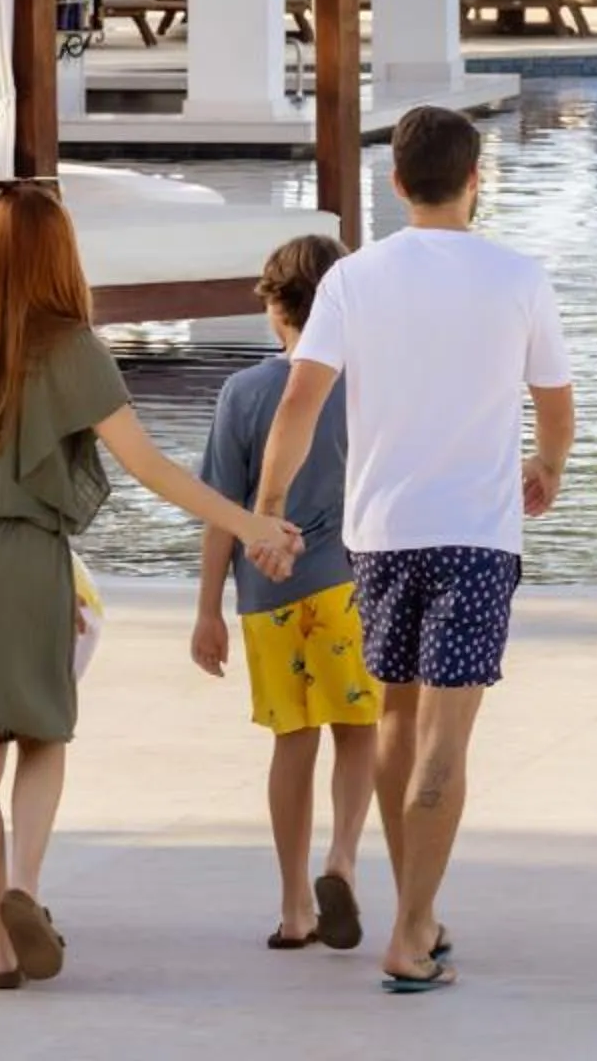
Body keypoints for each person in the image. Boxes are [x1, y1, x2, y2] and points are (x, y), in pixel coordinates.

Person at [0, 182, 302, 990]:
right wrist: (252, 524)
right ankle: (20, 892)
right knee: (42, 736)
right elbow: (149, 467)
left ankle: (1, 953)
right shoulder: (72, 347)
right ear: (57, 256)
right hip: (23, 557)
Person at [263, 105, 574, 995]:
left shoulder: (353, 280)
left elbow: (300, 402)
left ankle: (417, 915)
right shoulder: (519, 276)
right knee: (446, 737)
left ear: (395, 182)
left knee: (396, 722)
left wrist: (270, 509)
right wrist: (546, 467)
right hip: (476, 537)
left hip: (381, 537)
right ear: (477, 179)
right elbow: (555, 405)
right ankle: (408, 932)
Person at [190, 234, 382, 953]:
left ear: (276, 308)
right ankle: (343, 861)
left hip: (266, 594)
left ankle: (295, 906)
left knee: (291, 743)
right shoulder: (364, 383)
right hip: (352, 589)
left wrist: (208, 609)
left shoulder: (243, 392)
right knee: (360, 732)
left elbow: (221, 512)